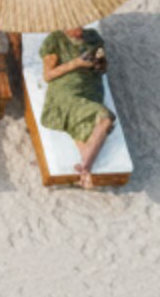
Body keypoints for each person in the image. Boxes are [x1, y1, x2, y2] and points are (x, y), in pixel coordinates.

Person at [38, 25, 116, 189]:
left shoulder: (93, 37)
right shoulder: (55, 40)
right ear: (64, 25)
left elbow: (103, 68)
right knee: (106, 117)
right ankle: (87, 168)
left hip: (91, 89)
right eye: (75, 28)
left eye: (81, 26)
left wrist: (100, 65)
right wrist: (76, 63)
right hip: (66, 89)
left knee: (89, 124)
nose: (79, 31)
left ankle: (84, 170)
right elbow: (48, 75)